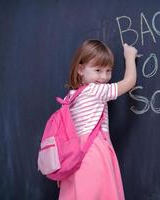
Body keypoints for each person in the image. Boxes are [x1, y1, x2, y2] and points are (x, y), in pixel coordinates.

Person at [58, 39, 137, 200]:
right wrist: (130, 57)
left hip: (73, 157)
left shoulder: (70, 97)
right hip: (94, 153)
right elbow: (129, 82)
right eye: (98, 70)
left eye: (108, 71)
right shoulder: (95, 90)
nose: (104, 77)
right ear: (80, 69)